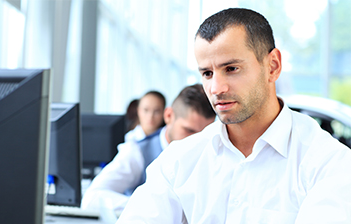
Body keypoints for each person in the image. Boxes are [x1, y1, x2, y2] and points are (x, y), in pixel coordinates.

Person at [117, 8, 351, 223]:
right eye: (207, 73)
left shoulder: (328, 163)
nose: (216, 88)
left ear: (272, 66)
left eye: (231, 69)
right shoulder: (178, 161)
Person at [81, 84, 216, 213]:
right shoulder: (136, 151)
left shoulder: (210, 153)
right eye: (189, 130)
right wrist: (151, 207)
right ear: (168, 115)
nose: (196, 140)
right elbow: (92, 199)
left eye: (203, 134)